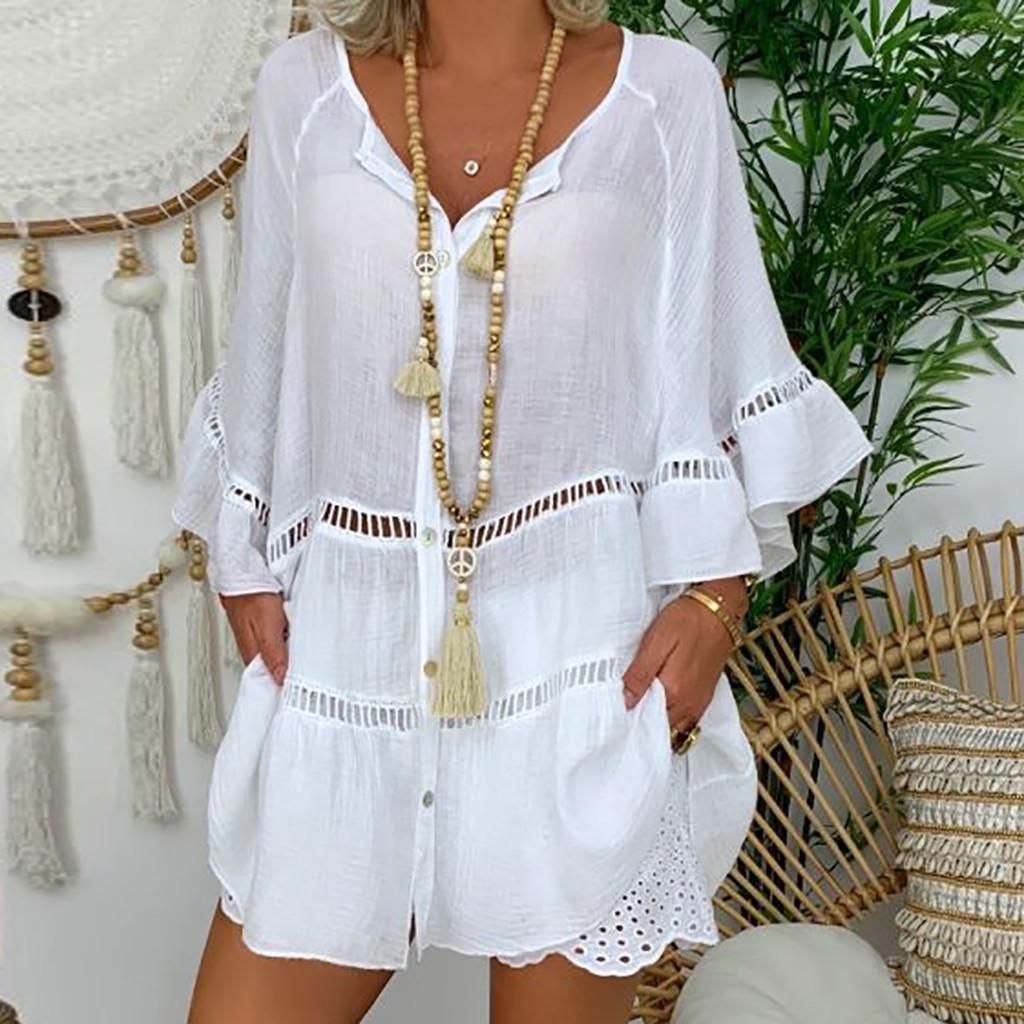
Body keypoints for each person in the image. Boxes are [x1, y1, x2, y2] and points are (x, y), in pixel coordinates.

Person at [173, 1, 873, 1021]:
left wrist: (715, 602)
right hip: (350, 666)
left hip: (582, 673)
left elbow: (717, 357)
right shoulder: (304, 92)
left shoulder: (662, 97)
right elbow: (262, 353)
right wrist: (244, 560)